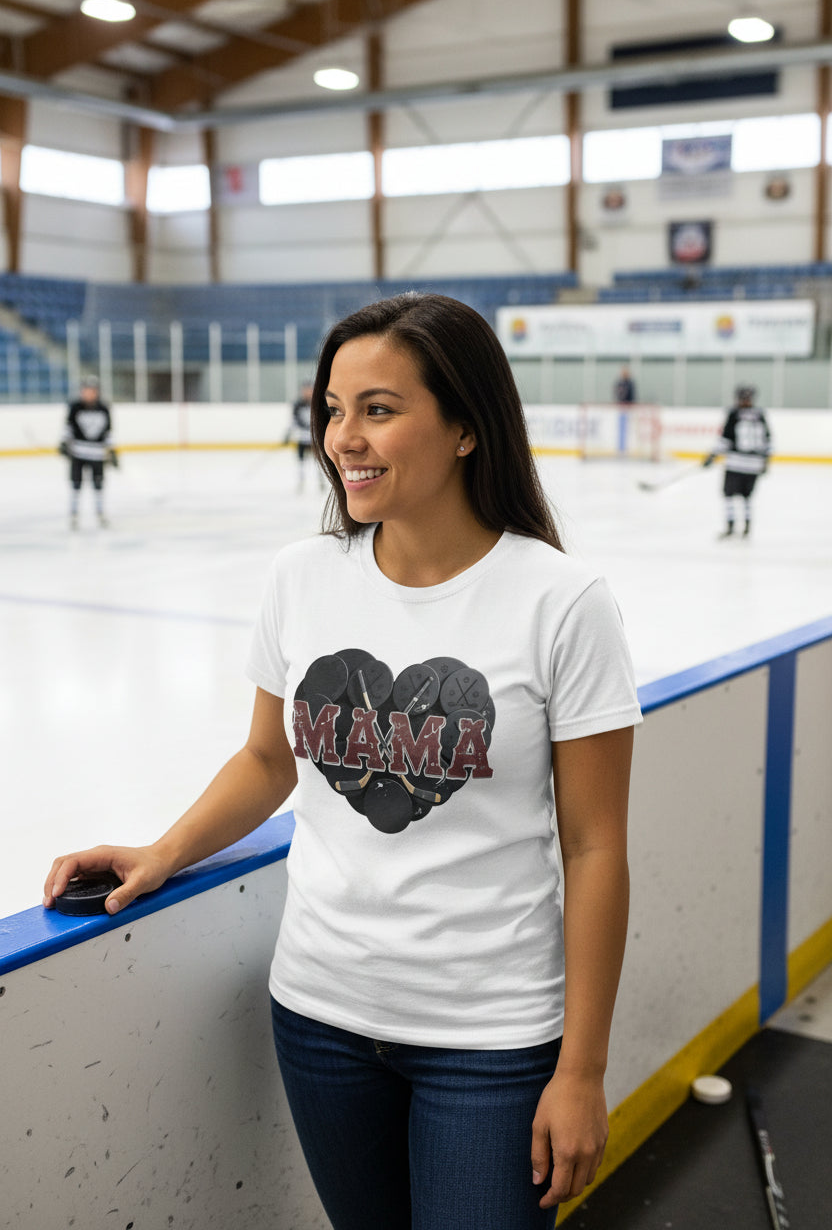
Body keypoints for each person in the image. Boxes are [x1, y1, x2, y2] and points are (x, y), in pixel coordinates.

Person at [43, 293, 642, 1230]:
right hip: (319, 1014)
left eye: (379, 408)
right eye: (332, 408)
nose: (342, 438)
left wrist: (584, 1068)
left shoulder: (561, 603)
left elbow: (596, 848)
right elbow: (265, 759)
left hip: (488, 1037)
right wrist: (164, 851)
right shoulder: (303, 576)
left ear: (465, 431)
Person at [703, 384, 771, 538]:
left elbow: (725, 440)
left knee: (728, 495)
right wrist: (766, 462)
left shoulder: (734, 414)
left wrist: (712, 456)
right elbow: (768, 441)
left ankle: (730, 527)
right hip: (754, 465)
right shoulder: (760, 414)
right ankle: (747, 527)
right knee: (747, 497)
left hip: (736, 464)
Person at [59, 375, 118, 529]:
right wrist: (64, 443)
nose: (88, 393)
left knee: (98, 485)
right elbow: (69, 427)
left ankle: (100, 513)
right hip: (78, 453)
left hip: (97, 455)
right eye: (86, 390)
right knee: (76, 485)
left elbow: (108, 431)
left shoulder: (104, 408)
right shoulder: (75, 407)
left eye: (91, 390)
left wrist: (112, 451)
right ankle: (74, 514)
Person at [285, 380, 315, 491]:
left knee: (319, 462)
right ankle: (301, 481)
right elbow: (293, 421)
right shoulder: (298, 405)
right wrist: (288, 434)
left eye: (309, 390)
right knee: (301, 461)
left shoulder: (317, 403)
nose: (307, 392)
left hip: (314, 439)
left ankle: (321, 480)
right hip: (302, 437)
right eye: (305, 390)